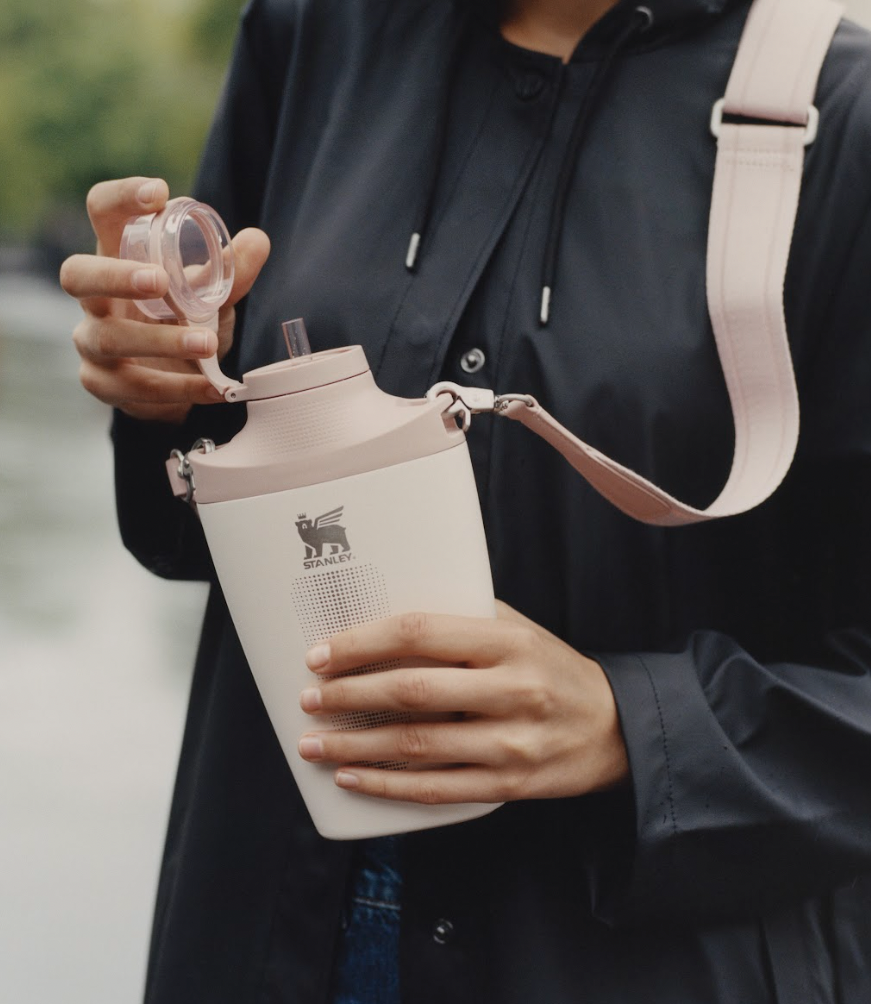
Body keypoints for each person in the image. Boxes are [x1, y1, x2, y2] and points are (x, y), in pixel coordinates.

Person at [59, 0, 871, 1001]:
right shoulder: (312, 29)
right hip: (262, 939)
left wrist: (631, 726)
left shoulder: (844, 115)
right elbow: (194, 530)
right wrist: (163, 388)